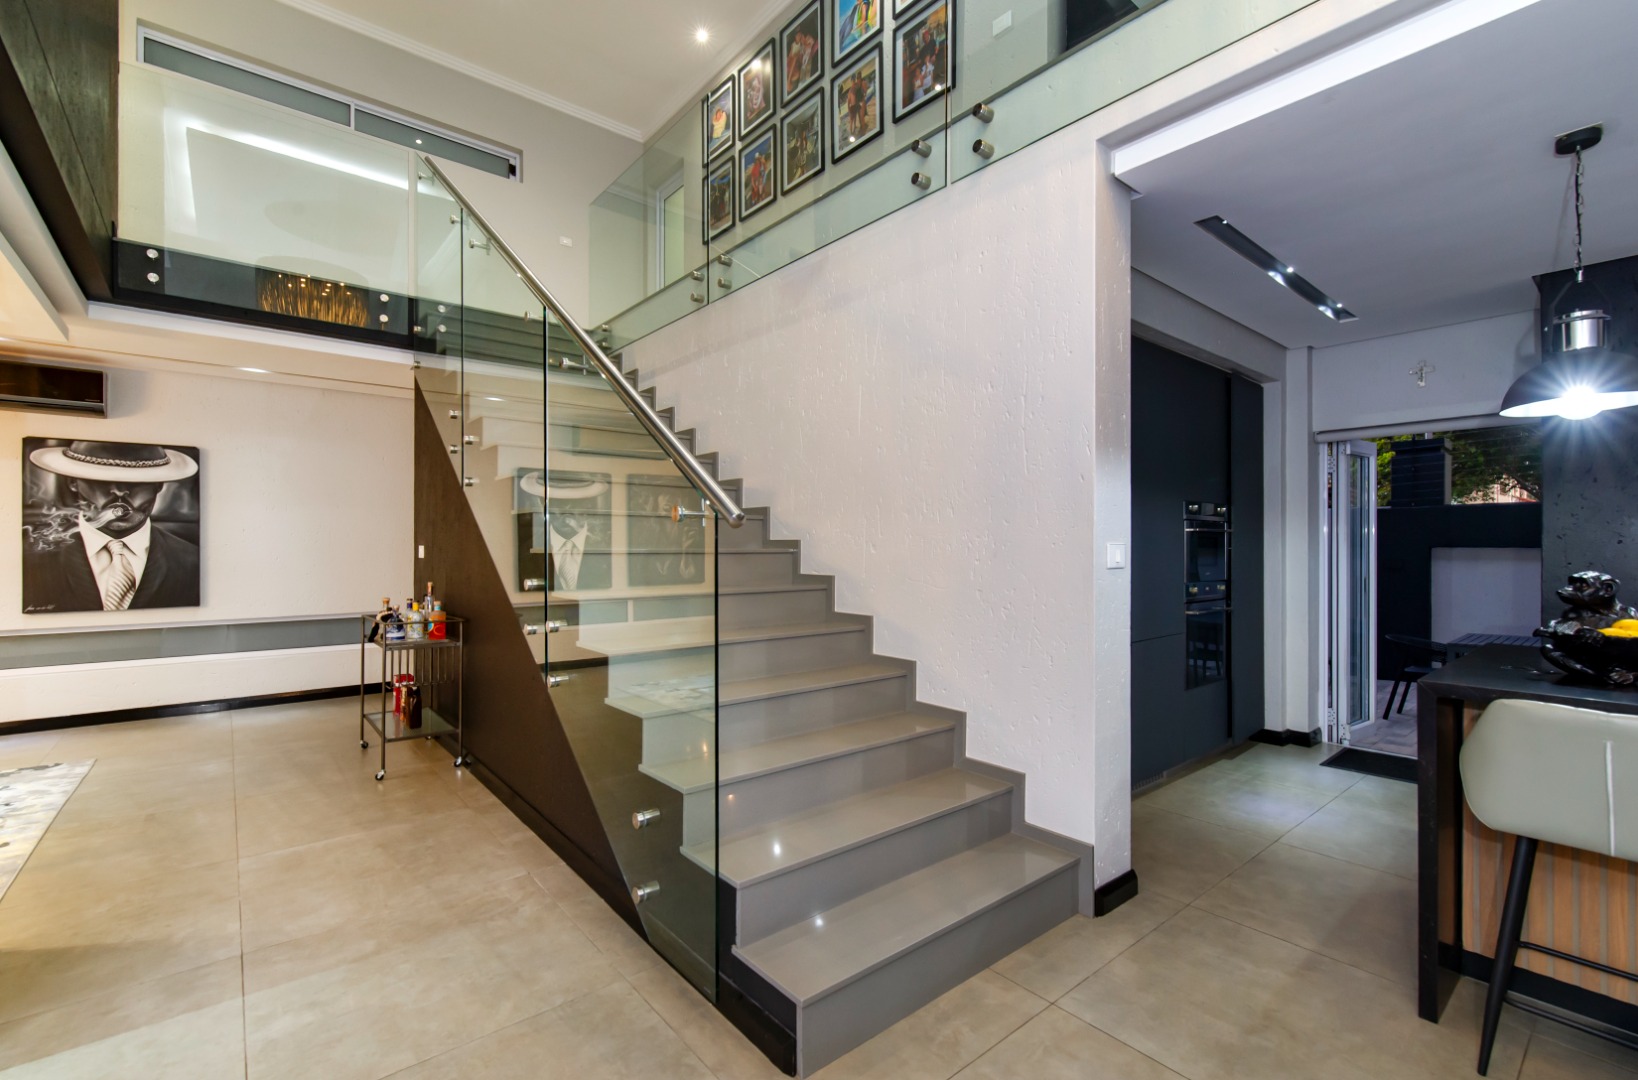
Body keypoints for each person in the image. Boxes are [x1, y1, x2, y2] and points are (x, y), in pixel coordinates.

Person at [22, 440, 200, 613]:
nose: (119, 491)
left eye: (137, 480)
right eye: (101, 478)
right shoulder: (28, 558)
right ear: (73, 482)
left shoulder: (191, 562)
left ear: (159, 485)